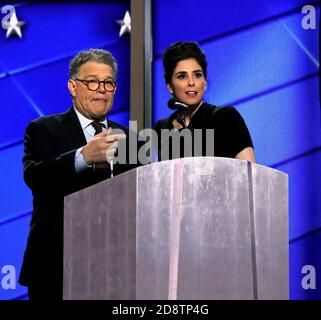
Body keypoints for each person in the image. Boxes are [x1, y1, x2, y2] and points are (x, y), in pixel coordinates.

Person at [19, 48, 142, 299]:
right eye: (92, 82)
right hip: (57, 269)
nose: (101, 89)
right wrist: (83, 157)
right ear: (73, 87)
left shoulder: (133, 140)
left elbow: (142, 199)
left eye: (108, 83)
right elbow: (36, 177)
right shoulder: (44, 129)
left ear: (115, 90)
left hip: (116, 270)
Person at [154, 42, 256, 162]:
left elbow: (251, 173)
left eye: (197, 75)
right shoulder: (162, 129)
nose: (191, 82)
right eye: (182, 76)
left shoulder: (226, 118)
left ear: (205, 82)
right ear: (170, 86)